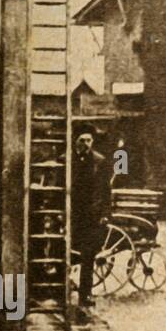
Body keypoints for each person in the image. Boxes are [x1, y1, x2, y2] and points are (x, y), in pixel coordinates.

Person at [71, 124, 111, 308]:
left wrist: (104, 213)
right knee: (67, 252)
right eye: (82, 140)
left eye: (89, 140)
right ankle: (64, 287)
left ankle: (85, 294)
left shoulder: (99, 161)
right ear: (75, 141)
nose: (86, 144)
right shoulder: (67, 160)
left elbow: (105, 190)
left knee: (88, 255)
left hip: (91, 215)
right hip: (72, 213)